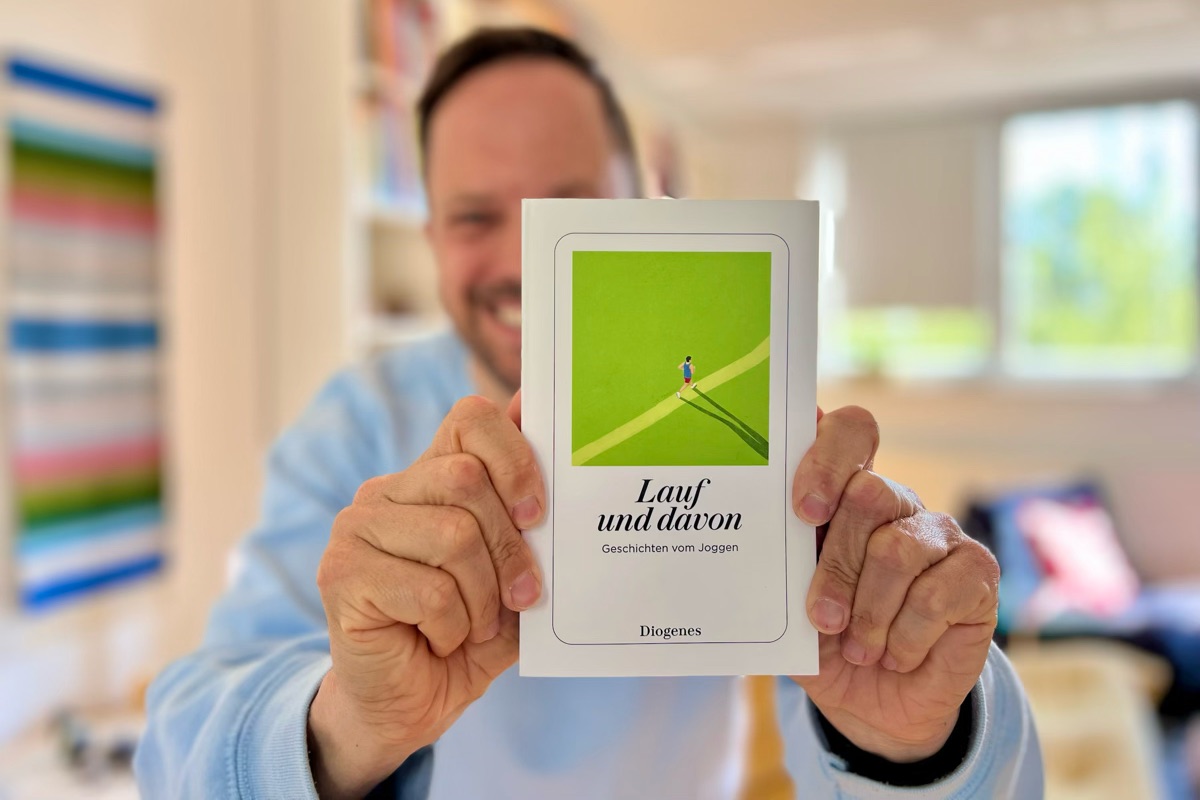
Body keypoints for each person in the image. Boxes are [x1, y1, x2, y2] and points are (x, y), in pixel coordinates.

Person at [135, 28, 1042, 799]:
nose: (527, 260)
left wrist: (916, 743)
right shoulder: (358, 425)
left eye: (565, 208)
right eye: (474, 216)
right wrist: (346, 721)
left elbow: (916, 737)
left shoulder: (755, 418)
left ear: (646, 208)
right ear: (432, 242)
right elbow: (178, 748)